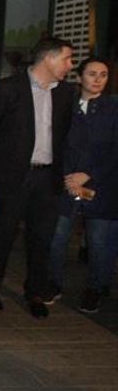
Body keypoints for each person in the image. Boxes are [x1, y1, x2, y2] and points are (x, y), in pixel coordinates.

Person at [0, 36, 74, 319]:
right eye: (67, 58)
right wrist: (0, 166)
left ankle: (35, 291)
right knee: (3, 235)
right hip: (14, 178)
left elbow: (67, 134)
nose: (70, 65)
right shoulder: (9, 89)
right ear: (49, 58)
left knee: (42, 239)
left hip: (48, 178)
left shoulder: (66, 93)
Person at [47, 57, 117, 313]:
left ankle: (95, 289)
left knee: (99, 242)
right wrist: (69, 178)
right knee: (57, 238)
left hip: (102, 187)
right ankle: (53, 283)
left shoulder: (113, 108)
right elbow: (57, 144)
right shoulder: (67, 107)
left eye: (103, 74)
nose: (97, 79)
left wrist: (88, 175)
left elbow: (113, 152)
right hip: (67, 185)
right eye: (92, 74)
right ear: (80, 76)